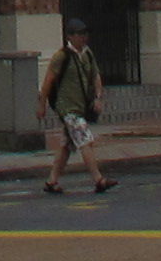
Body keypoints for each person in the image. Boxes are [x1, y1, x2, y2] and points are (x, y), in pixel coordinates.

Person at [40, 20, 114, 195]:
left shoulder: (87, 54)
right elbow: (48, 82)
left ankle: (52, 181)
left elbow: (96, 76)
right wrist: (41, 105)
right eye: (79, 34)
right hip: (67, 108)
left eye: (85, 34)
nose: (83, 38)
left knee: (67, 145)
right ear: (70, 36)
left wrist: (97, 97)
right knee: (85, 139)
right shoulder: (61, 56)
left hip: (80, 107)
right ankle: (98, 179)